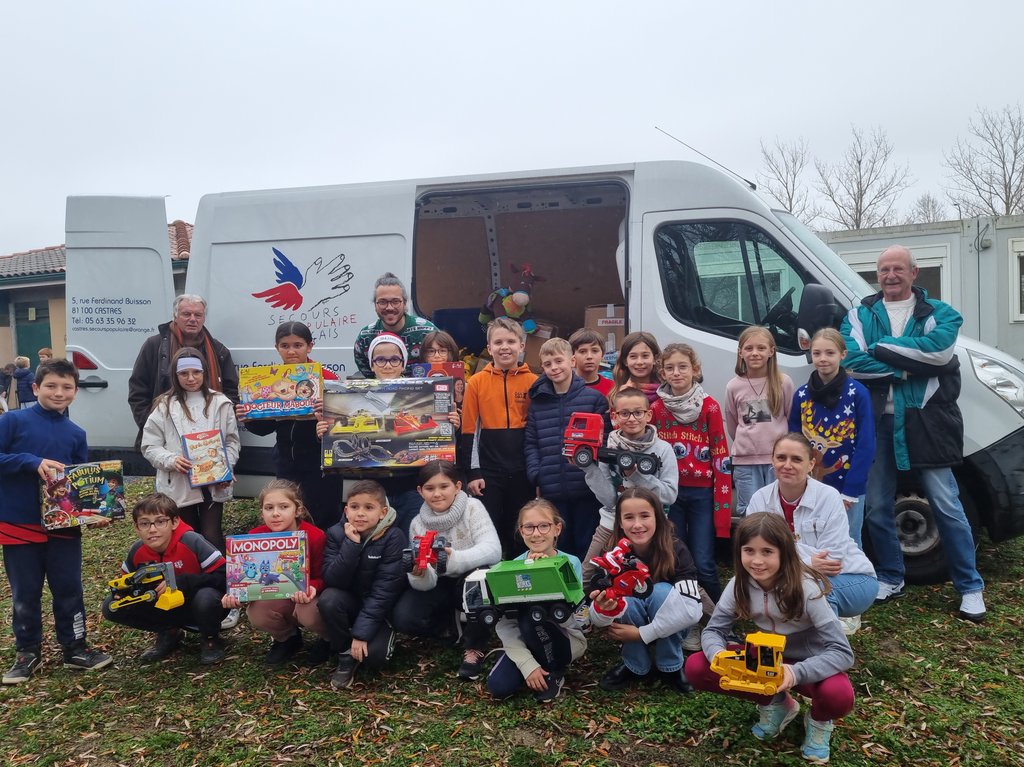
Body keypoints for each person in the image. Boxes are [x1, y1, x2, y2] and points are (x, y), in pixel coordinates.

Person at [841, 244, 986, 622]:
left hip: (928, 421)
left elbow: (939, 355)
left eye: (898, 268)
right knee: (876, 505)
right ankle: (891, 576)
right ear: (877, 274)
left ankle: (970, 586)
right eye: (884, 269)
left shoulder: (941, 313)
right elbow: (851, 362)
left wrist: (879, 348)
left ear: (914, 273)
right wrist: (908, 366)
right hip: (876, 422)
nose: (890, 275)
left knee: (947, 503)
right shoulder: (859, 314)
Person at [685, 513, 855, 764]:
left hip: (808, 663)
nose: (757, 561)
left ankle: (819, 721)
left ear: (784, 552)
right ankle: (777, 704)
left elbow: (842, 652)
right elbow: (713, 631)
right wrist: (719, 655)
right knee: (697, 666)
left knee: (838, 694)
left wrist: (795, 673)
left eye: (767, 551)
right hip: (765, 660)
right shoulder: (738, 584)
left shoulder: (806, 588)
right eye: (749, 550)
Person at [0, 358, 112, 684]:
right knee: (25, 592)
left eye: (66, 387)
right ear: (36, 388)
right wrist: (30, 461)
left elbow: (80, 484)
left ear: (75, 392)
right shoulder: (12, 421)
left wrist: (94, 513)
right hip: (19, 522)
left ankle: (75, 647)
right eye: (51, 386)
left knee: (69, 589)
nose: (58, 392)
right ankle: (27, 652)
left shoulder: (76, 433)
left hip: (64, 526)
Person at [746, 433, 879, 634]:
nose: (787, 465)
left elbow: (832, 558)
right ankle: (789, 641)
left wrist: (779, 556)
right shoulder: (759, 499)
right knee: (763, 583)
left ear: (811, 464)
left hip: (852, 578)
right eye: (781, 458)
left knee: (811, 589)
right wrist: (806, 563)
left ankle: (829, 647)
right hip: (802, 576)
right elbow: (754, 555)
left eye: (796, 459)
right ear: (772, 461)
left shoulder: (828, 497)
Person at [391, 460, 501, 681]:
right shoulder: (417, 523)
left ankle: (474, 647)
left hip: (471, 574)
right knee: (404, 616)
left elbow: (493, 550)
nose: (437, 494)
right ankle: (448, 627)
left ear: (457, 486)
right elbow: (426, 581)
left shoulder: (473, 507)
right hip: (440, 581)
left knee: (478, 584)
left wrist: (455, 558)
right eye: (430, 488)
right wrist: (419, 573)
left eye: (444, 486)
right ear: (420, 491)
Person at [589, 488, 702, 693]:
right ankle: (636, 665)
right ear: (620, 522)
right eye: (629, 517)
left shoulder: (677, 550)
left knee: (661, 591)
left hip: (667, 623)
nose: (637, 524)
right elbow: (597, 619)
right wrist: (604, 608)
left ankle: (671, 665)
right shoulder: (611, 554)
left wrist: (642, 634)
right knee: (626, 600)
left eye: (644, 516)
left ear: (658, 517)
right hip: (632, 620)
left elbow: (692, 611)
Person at [103, 493, 228, 665]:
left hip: (198, 603)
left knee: (206, 597)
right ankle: (169, 631)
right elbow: (127, 581)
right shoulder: (137, 551)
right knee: (112, 606)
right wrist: (123, 593)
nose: (152, 529)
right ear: (136, 527)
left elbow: (224, 576)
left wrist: (184, 582)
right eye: (144, 523)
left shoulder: (192, 541)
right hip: (163, 605)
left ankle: (210, 639)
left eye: (160, 521)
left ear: (175, 522)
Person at [241, 322, 343, 530]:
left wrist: (327, 413)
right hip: (287, 463)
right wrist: (248, 418)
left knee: (324, 518)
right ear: (277, 348)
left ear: (310, 346)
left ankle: (324, 551)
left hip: (321, 465)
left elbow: (343, 425)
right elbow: (265, 429)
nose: (291, 351)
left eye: (298, 345)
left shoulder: (327, 378)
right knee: (290, 518)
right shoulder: (272, 381)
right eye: (285, 346)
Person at [651, 343, 731, 608]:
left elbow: (721, 456)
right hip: (670, 494)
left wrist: (722, 507)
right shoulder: (657, 409)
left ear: (695, 370)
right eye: (670, 368)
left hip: (701, 494)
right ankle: (685, 614)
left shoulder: (710, 407)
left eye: (682, 367)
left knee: (703, 560)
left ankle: (718, 617)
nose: (676, 373)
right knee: (676, 558)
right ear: (662, 373)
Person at [486, 499, 587, 703]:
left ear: (557, 528)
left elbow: (578, 616)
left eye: (544, 526)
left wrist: (546, 572)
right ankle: (528, 661)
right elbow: (506, 623)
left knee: (533, 617)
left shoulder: (571, 563)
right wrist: (527, 664)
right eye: (529, 527)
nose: (536, 533)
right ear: (521, 531)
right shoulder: (513, 567)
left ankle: (554, 671)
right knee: (499, 686)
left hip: (563, 639)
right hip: (526, 638)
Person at [141, 347, 240, 553]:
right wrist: (171, 460)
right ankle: (191, 573)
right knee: (187, 535)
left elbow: (231, 441)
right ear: (175, 375)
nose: (191, 378)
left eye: (196, 372)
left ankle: (218, 572)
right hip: (179, 482)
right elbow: (150, 446)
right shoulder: (165, 406)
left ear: (205, 372)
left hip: (213, 483)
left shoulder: (220, 403)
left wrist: (226, 467)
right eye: (184, 373)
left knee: (211, 535)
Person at [221, 480, 327, 666]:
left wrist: (312, 587)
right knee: (257, 613)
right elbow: (249, 579)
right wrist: (237, 595)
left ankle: (329, 640)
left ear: (298, 510)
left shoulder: (315, 536)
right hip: (277, 596)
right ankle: (287, 639)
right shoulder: (254, 536)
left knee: (307, 613)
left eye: (283, 507)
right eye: (269, 508)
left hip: (308, 599)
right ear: (262, 512)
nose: (275, 513)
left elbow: (325, 576)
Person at [788, 328, 875, 549]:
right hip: (811, 484)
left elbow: (866, 444)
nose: (823, 359)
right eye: (817, 353)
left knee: (849, 540)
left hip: (847, 485)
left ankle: (853, 574)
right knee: (810, 539)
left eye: (830, 353)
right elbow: (794, 442)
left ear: (842, 354)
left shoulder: (858, 393)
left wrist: (851, 489)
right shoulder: (801, 396)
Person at [525, 337, 609, 559]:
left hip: (586, 489)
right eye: (548, 364)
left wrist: (595, 472)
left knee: (587, 547)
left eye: (558, 361)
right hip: (552, 489)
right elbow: (531, 443)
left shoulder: (594, 400)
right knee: (559, 548)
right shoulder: (538, 403)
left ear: (572, 361)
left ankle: (586, 582)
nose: (554, 368)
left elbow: (605, 441)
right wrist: (537, 474)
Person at [459, 317, 537, 556]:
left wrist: (537, 474)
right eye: (498, 342)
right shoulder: (476, 383)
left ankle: (522, 570)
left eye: (511, 342)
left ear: (521, 346)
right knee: (489, 527)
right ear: (489, 347)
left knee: (520, 526)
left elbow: (537, 431)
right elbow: (469, 430)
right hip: (488, 471)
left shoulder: (534, 382)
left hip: (523, 470)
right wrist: (473, 473)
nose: (505, 347)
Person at [319, 480, 407, 689]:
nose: (360, 513)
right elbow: (332, 580)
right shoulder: (335, 533)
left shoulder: (394, 537)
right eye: (354, 507)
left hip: (379, 610)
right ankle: (344, 653)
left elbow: (384, 591)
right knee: (329, 599)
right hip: (350, 601)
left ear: (383, 513)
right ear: (346, 510)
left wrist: (361, 635)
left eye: (369, 508)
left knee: (374, 658)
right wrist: (351, 545)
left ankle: (375, 635)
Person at [129, 294, 238, 449]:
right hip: (167, 439)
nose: (192, 319)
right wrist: (154, 426)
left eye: (198, 315)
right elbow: (138, 391)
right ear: (175, 316)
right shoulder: (154, 345)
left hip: (210, 439)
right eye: (186, 314)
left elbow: (232, 391)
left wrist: (225, 422)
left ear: (204, 318)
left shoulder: (218, 350)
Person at [581, 386, 680, 543]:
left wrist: (635, 475)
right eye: (625, 413)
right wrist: (589, 468)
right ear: (615, 416)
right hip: (613, 523)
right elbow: (609, 500)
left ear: (648, 415)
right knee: (592, 560)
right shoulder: (609, 449)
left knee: (660, 558)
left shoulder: (663, 449)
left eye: (638, 412)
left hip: (652, 526)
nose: (632, 419)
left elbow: (669, 495)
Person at [725, 326, 795, 515]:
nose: (755, 353)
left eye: (761, 348)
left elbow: (790, 416)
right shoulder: (733, 386)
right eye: (749, 348)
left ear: (771, 351)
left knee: (778, 511)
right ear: (740, 352)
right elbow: (732, 423)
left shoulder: (783, 382)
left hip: (777, 460)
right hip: (745, 462)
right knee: (750, 512)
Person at [352, 272, 437, 378]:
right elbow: (369, 376)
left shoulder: (427, 332)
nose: (389, 308)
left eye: (395, 301)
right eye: (383, 302)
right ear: (375, 305)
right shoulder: (365, 338)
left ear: (405, 303)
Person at [609, 331, 661, 406]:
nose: (639, 362)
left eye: (645, 356)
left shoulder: (667, 393)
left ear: (655, 359)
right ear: (625, 361)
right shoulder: (618, 394)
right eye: (633, 356)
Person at [568, 328, 613, 398]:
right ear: (572, 356)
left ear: (602, 355)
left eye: (595, 351)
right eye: (582, 351)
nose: (589, 356)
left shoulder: (613, 389)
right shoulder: (563, 387)